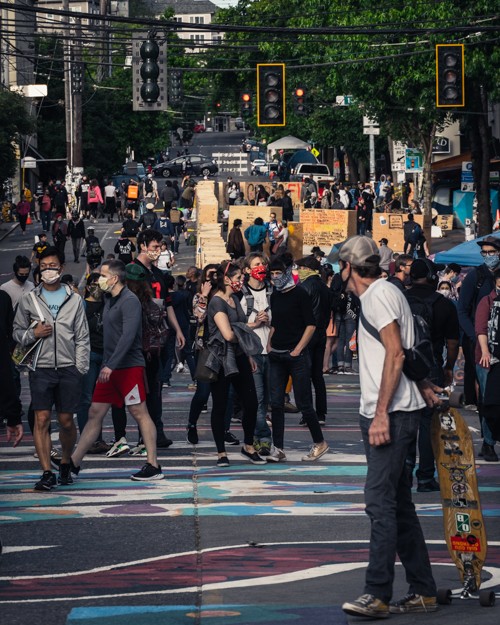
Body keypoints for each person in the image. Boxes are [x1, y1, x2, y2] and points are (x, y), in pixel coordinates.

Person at [338, 236, 438, 618]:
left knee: (379, 502)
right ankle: (423, 589)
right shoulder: (389, 290)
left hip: (391, 415)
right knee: (398, 505)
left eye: (341, 268)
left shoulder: (378, 296)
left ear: (349, 267)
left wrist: (380, 413)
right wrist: (424, 385)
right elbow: (404, 351)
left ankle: (377, 592)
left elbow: (395, 351)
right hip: (399, 411)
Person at [70, 260, 164, 481]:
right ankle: (72, 463)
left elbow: (129, 336)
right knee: (95, 413)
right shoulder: (109, 299)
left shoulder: (130, 300)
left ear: (114, 278)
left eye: (103, 275)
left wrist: (111, 364)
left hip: (128, 366)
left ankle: (153, 465)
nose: (99, 278)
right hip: (109, 367)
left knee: (139, 412)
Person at [13, 246, 90, 491]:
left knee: (67, 422)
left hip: (69, 368)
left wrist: (80, 367)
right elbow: (16, 332)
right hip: (41, 368)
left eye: (53, 266)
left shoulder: (74, 299)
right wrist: (32, 334)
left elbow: (82, 336)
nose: (49, 271)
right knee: (42, 419)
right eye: (44, 267)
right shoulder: (30, 299)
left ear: (62, 268)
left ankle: (65, 462)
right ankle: (47, 471)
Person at [405, 259, 460, 490]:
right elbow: (453, 341)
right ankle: (426, 477)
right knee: (429, 423)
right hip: (432, 365)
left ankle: (404, 474)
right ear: (430, 277)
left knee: (405, 418)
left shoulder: (400, 300)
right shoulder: (443, 304)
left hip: (404, 366)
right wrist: (449, 367)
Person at [267, 253, 329, 462]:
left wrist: (298, 349)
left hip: (296, 356)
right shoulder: (275, 295)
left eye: (279, 273)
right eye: (272, 274)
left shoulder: (300, 293)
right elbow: (275, 322)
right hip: (276, 354)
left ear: (287, 273)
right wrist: (269, 342)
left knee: (304, 403)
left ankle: (320, 443)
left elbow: (311, 325)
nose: (275, 277)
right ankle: (278, 448)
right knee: (276, 403)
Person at [205, 260, 264, 467]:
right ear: (227, 279)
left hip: (240, 356)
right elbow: (229, 334)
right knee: (221, 405)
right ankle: (221, 452)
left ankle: (248, 446)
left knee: (251, 402)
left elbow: (238, 326)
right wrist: (248, 330)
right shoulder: (217, 302)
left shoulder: (234, 300)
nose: (242, 281)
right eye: (238, 278)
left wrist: (249, 354)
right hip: (222, 359)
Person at [458, 236, 500, 436]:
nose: (488, 256)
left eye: (492, 252)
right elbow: (462, 311)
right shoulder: (476, 276)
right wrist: (476, 336)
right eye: (484, 253)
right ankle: (488, 439)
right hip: (480, 343)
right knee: (485, 394)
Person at [240, 253, 274, 456]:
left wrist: (270, 320)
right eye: (256, 265)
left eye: (263, 264)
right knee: (258, 399)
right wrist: (256, 323)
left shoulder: (273, 291)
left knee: (269, 399)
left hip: (272, 352)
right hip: (253, 352)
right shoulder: (242, 295)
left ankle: (253, 434)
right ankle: (264, 437)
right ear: (246, 270)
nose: (261, 267)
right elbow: (237, 325)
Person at [75, 273, 110, 454]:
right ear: (88, 287)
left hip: (105, 355)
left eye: (100, 284)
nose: (98, 288)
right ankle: (87, 439)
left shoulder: (108, 303)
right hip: (88, 354)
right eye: (94, 284)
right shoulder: (81, 305)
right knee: (86, 398)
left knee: (101, 399)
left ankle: (98, 438)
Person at [296, 255, 332, 425]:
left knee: (305, 375)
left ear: (308, 269)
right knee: (317, 376)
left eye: (301, 268)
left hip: (307, 333)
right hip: (321, 333)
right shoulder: (324, 287)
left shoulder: (304, 287)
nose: (299, 271)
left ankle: (308, 413)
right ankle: (321, 413)